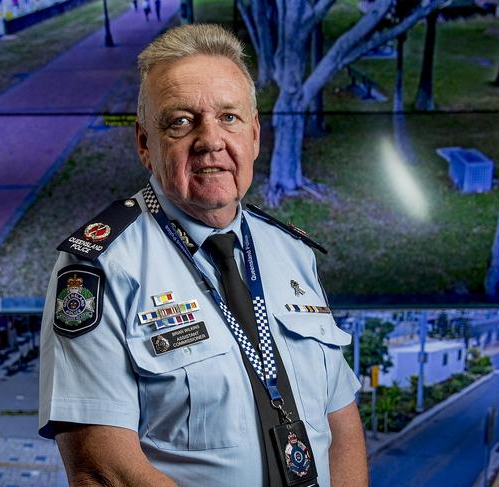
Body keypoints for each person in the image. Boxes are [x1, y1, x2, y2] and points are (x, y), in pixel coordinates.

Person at [38, 23, 367, 487]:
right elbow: (104, 469)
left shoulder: (291, 252)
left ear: (254, 135)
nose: (210, 139)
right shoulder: (99, 267)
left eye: (229, 117)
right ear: (144, 144)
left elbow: (342, 424)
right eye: (180, 121)